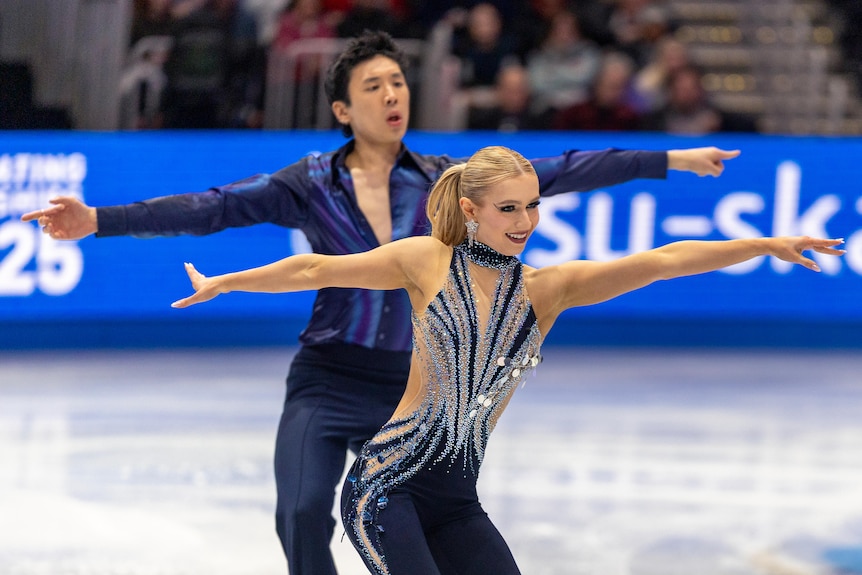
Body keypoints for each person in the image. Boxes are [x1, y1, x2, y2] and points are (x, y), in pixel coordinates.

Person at [22, 30, 742, 575]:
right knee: (303, 513)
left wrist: (669, 159)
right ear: (342, 107)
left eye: (398, 82)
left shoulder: (442, 180)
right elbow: (210, 208)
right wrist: (100, 219)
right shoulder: (305, 182)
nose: (393, 95)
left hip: (406, 389)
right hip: (329, 376)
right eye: (374, 87)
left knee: (422, 518)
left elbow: (561, 170)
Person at [170, 145, 845, 574]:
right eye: (508, 208)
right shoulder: (425, 261)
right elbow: (318, 266)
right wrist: (228, 281)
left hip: (456, 499)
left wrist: (765, 242)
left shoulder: (547, 290)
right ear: (472, 210)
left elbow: (662, 262)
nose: (524, 220)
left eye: (532, 206)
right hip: (384, 487)